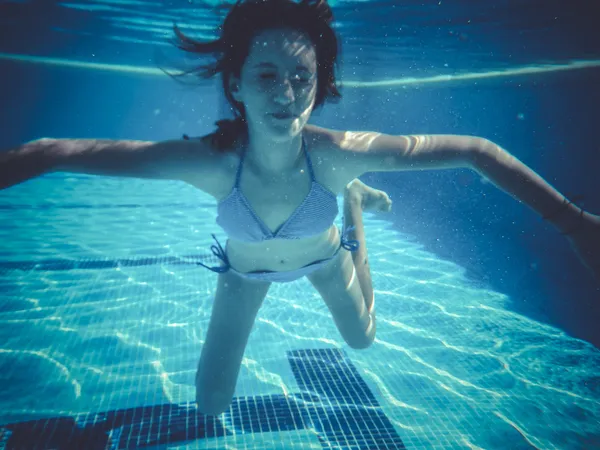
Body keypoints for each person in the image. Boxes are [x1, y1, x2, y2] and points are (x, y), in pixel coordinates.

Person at [1, 0, 598, 416]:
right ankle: (356, 204)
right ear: (234, 84)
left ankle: (354, 213)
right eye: (265, 75)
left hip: (324, 259)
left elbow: (476, 152)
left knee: (362, 341)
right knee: (210, 405)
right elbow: (54, 152)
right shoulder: (211, 163)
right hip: (242, 277)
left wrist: (575, 225)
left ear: (321, 84)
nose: (285, 95)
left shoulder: (335, 156)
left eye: (301, 77)